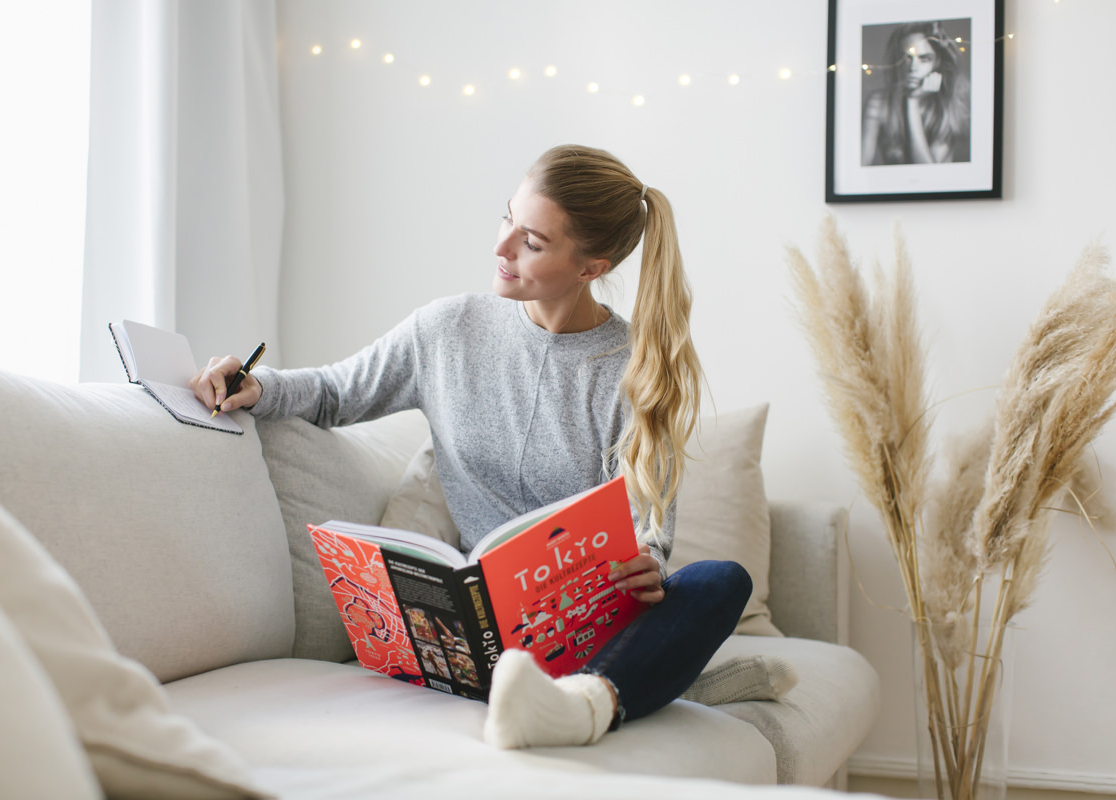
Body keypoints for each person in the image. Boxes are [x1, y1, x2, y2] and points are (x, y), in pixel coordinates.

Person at [191, 144, 752, 749]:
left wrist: (647, 563)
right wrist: (256, 386)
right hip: (479, 629)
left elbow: (651, 525)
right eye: (507, 217)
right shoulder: (447, 330)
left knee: (720, 581)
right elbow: (334, 392)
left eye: (531, 241)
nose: (501, 246)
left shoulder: (636, 368)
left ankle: (584, 704)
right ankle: (631, 686)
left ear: (591, 267)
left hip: (589, 626)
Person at [861, 21, 970, 166]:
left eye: (924, 59)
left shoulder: (947, 105)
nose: (913, 67)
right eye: (906, 58)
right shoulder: (878, 103)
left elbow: (929, 174)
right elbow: (859, 168)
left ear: (937, 62)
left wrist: (912, 101)